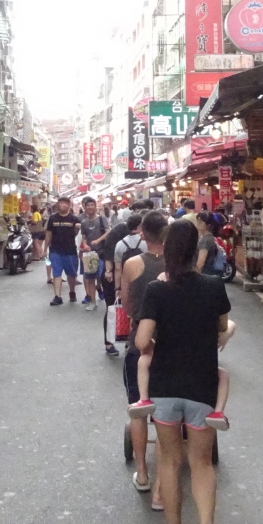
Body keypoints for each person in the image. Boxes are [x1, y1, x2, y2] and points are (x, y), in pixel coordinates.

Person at [133, 219, 231, 524]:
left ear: (167, 250)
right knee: (201, 463)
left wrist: (160, 338)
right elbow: (222, 327)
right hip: (202, 386)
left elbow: (141, 341)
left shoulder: (157, 290)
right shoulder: (214, 286)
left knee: (170, 463)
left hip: (165, 387)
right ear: (195, 252)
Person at [120, 211, 168, 505]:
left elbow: (126, 303)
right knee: (166, 413)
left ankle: (142, 473)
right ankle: (162, 485)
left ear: (142, 234)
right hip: (172, 343)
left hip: (140, 340)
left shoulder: (132, 264)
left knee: (138, 408)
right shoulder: (178, 264)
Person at [95, 211, 138, 357]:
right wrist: (109, 272)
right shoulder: (119, 230)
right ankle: (109, 342)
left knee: (132, 308)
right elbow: (108, 252)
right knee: (112, 307)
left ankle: (129, 340)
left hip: (130, 274)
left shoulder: (142, 235)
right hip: (112, 275)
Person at [45, 196, 81, 306]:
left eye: (66, 203)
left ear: (69, 205)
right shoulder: (52, 218)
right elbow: (48, 234)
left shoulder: (74, 219)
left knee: (71, 274)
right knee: (57, 273)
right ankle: (57, 296)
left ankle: (72, 291)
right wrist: (45, 249)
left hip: (70, 251)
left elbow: (80, 233)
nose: (63, 205)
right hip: (55, 250)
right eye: (61, 203)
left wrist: (79, 228)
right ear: (58, 204)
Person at [78, 196, 109, 311]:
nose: (90, 207)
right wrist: (85, 245)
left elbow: (108, 232)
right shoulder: (84, 223)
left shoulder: (101, 219)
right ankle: (92, 301)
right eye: (88, 205)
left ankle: (107, 299)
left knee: (102, 277)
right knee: (90, 279)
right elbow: (84, 236)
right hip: (90, 254)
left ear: (96, 207)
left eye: (92, 205)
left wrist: (98, 240)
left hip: (102, 253)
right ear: (84, 207)